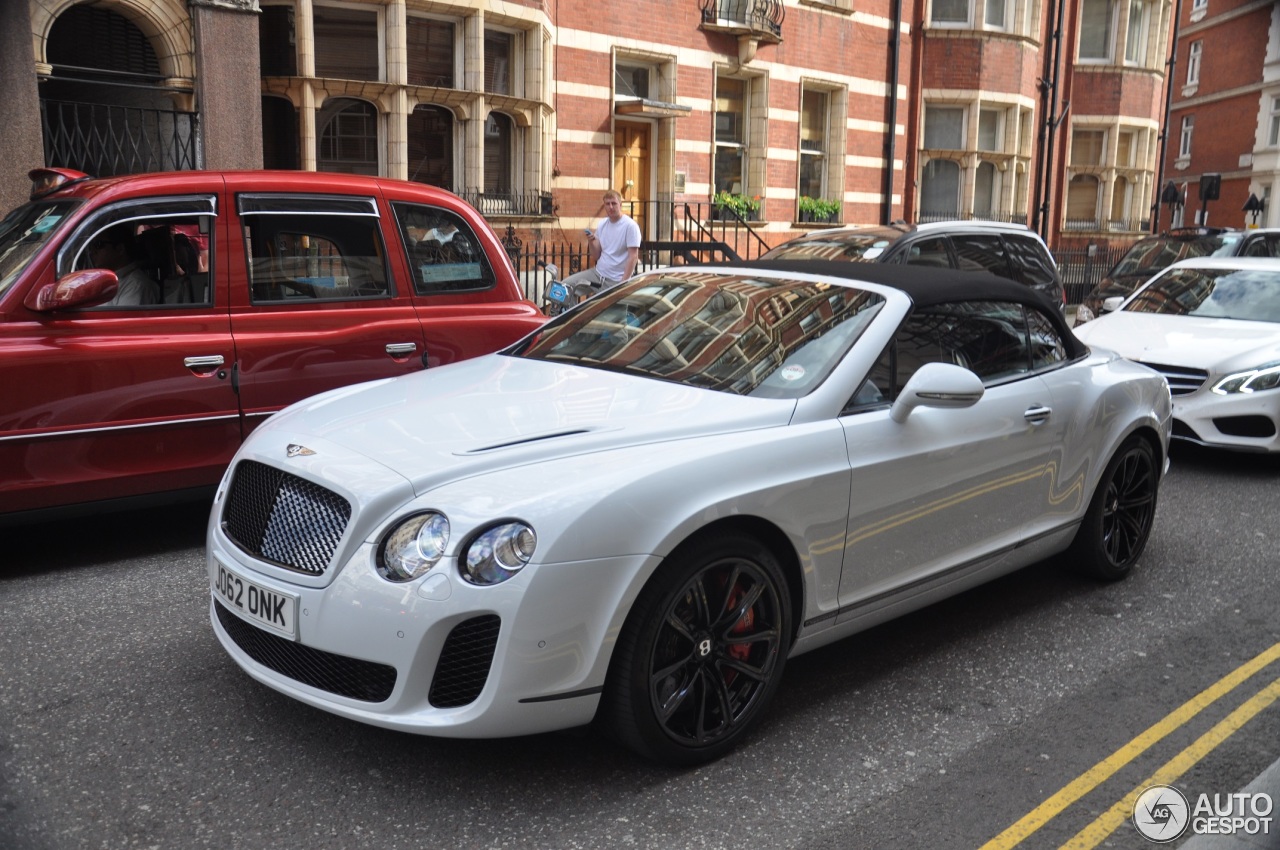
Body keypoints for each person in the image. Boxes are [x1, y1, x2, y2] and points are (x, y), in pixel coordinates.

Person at [561, 189, 641, 293]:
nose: (611, 207)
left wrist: (623, 283)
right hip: (597, 274)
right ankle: (575, 310)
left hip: (616, 280)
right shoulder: (602, 224)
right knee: (565, 286)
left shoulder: (630, 226)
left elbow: (633, 256)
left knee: (610, 309)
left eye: (614, 203)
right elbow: (596, 256)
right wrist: (591, 241)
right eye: (607, 204)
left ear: (620, 204)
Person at [86, 224, 158, 306]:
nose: (92, 252)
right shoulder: (106, 281)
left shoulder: (135, 286)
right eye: (91, 246)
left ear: (120, 249)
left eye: (98, 244)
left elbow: (125, 318)